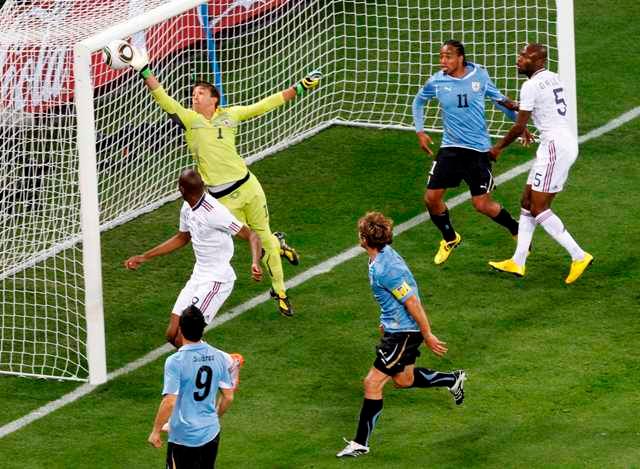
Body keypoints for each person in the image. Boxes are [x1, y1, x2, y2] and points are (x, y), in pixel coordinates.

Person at [120, 44, 322, 317]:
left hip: (249, 186)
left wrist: (299, 87)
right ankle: (277, 244)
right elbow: (163, 98)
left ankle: (280, 291)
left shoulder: (232, 115)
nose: (194, 97)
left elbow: (265, 105)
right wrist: (143, 69)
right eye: (192, 94)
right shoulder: (190, 121)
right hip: (224, 200)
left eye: (200, 93)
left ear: (214, 99)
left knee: (263, 240)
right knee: (250, 238)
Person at [337, 212, 466, 458]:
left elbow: (412, 301)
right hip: (397, 328)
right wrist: (385, 320)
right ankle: (453, 380)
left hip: (403, 333)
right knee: (403, 380)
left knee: (372, 383)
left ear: (365, 239)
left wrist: (427, 334)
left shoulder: (387, 269)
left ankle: (360, 443)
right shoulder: (379, 258)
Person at [413, 40, 530, 265]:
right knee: (431, 198)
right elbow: (418, 101)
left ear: (460, 58)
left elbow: (500, 102)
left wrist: (520, 125)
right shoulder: (437, 81)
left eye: (448, 57)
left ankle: (515, 229)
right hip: (450, 148)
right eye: (441, 57)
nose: (443, 61)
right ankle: (450, 238)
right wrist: (420, 131)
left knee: (481, 205)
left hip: (477, 150)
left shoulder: (479, 75)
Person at [488, 43, 593, 284]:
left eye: (524, 56)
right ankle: (518, 261)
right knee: (526, 201)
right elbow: (542, 105)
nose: (519, 59)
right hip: (560, 144)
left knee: (539, 208)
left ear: (538, 61)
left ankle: (579, 255)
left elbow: (519, 125)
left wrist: (497, 148)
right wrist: (513, 104)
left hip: (554, 148)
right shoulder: (553, 78)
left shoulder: (530, 85)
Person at [124, 169, 263, 347]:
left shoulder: (214, 212)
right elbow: (182, 237)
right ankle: (201, 365)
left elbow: (252, 235)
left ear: (181, 189)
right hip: (198, 276)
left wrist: (255, 262)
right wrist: (145, 257)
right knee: (171, 335)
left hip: (217, 281)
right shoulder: (187, 207)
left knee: (183, 338)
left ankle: (225, 363)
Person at [147, 305, 235, 469]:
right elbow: (228, 397)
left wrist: (156, 431)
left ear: (180, 329)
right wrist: (213, 418)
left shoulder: (175, 361)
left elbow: (170, 402)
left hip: (184, 438)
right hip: (211, 433)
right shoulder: (219, 356)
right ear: (203, 328)